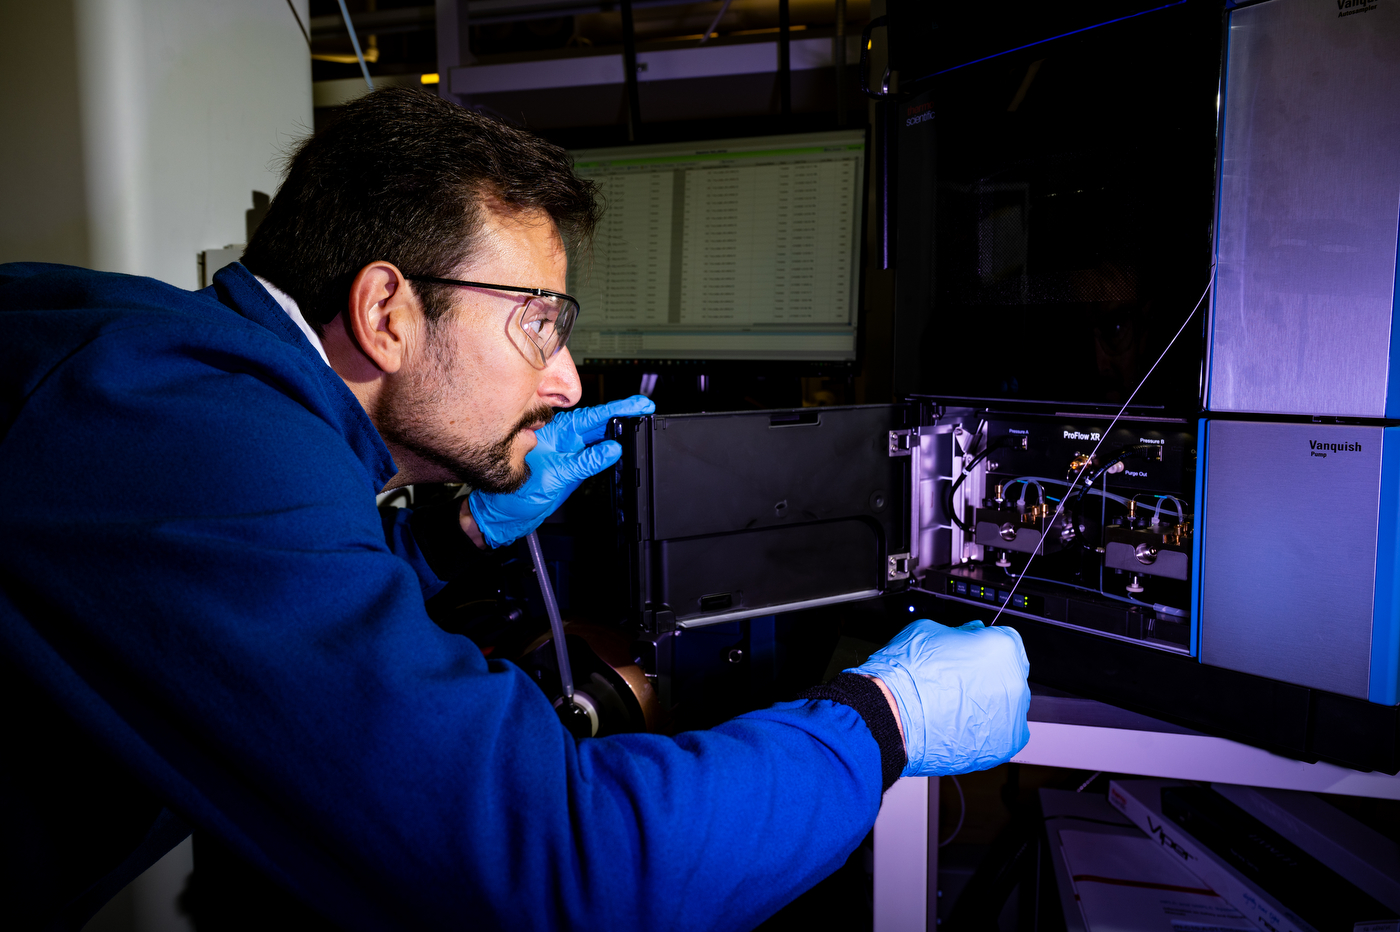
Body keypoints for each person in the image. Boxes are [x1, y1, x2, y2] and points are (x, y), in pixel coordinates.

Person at [0, 87, 1031, 931]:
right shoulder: (208, 440)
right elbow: (563, 867)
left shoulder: (162, 360)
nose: (569, 379)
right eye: (538, 323)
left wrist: (461, 531)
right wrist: (880, 719)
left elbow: (258, 604)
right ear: (387, 312)